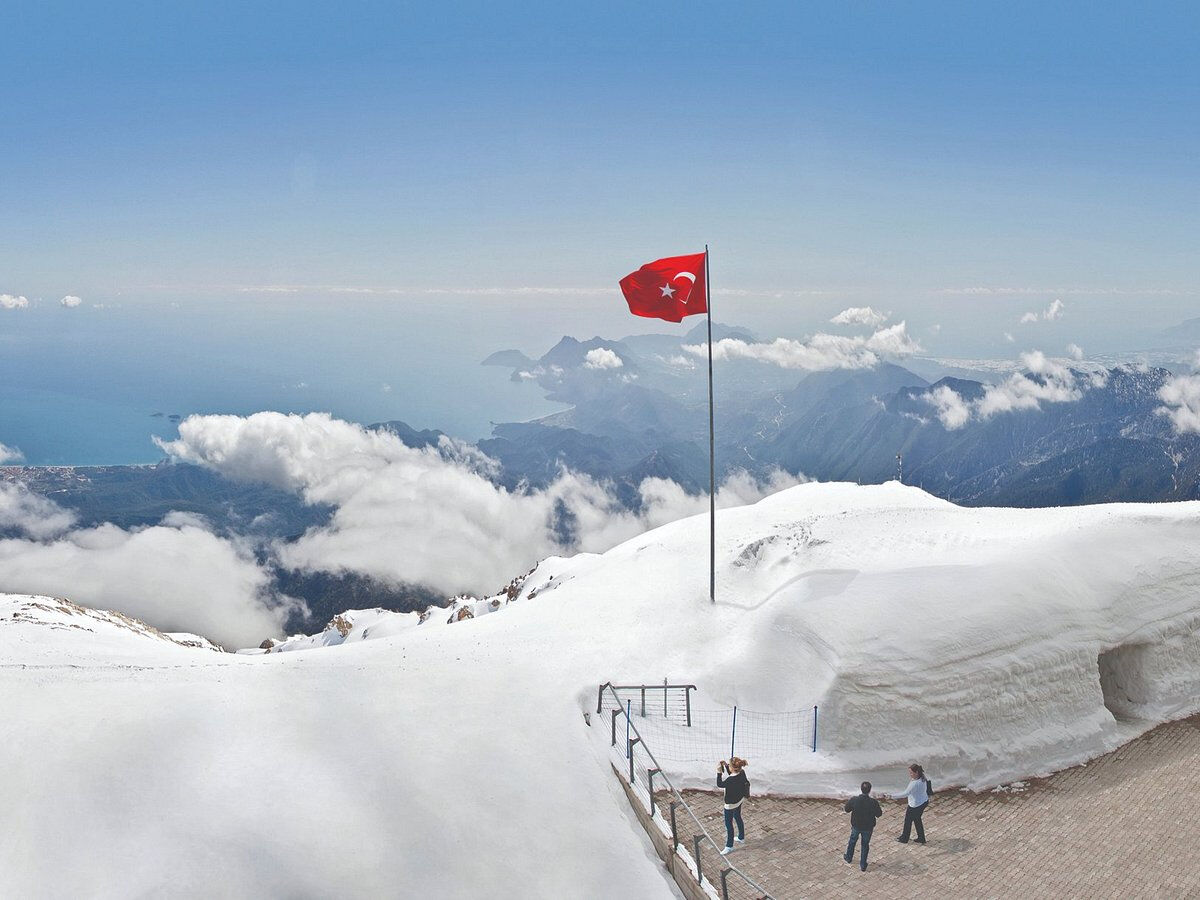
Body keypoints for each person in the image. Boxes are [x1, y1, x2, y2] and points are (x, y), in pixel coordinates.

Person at [842, 781, 884, 871]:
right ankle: (863, 865)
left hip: (856, 825)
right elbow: (879, 814)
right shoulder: (873, 802)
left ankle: (849, 857)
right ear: (869, 790)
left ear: (861, 789)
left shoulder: (854, 800)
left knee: (852, 841)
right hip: (868, 827)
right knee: (865, 845)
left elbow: (846, 809)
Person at [716, 757, 750, 855]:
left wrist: (719, 772)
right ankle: (741, 837)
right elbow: (733, 774)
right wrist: (726, 765)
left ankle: (729, 846)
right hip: (739, 800)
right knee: (738, 817)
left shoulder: (730, 780)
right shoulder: (742, 772)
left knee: (729, 825)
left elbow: (720, 784)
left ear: (733, 768)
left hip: (730, 805)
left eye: (729, 766)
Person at [894, 763, 931, 844]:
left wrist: (891, 796)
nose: (910, 774)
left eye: (911, 773)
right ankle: (921, 838)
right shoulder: (922, 777)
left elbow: (905, 794)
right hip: (924, 801)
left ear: (916, 772)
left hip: (915, 806)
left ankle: (904, 838)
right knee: (917, 820)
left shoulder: (914, 784)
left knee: (908, 821)